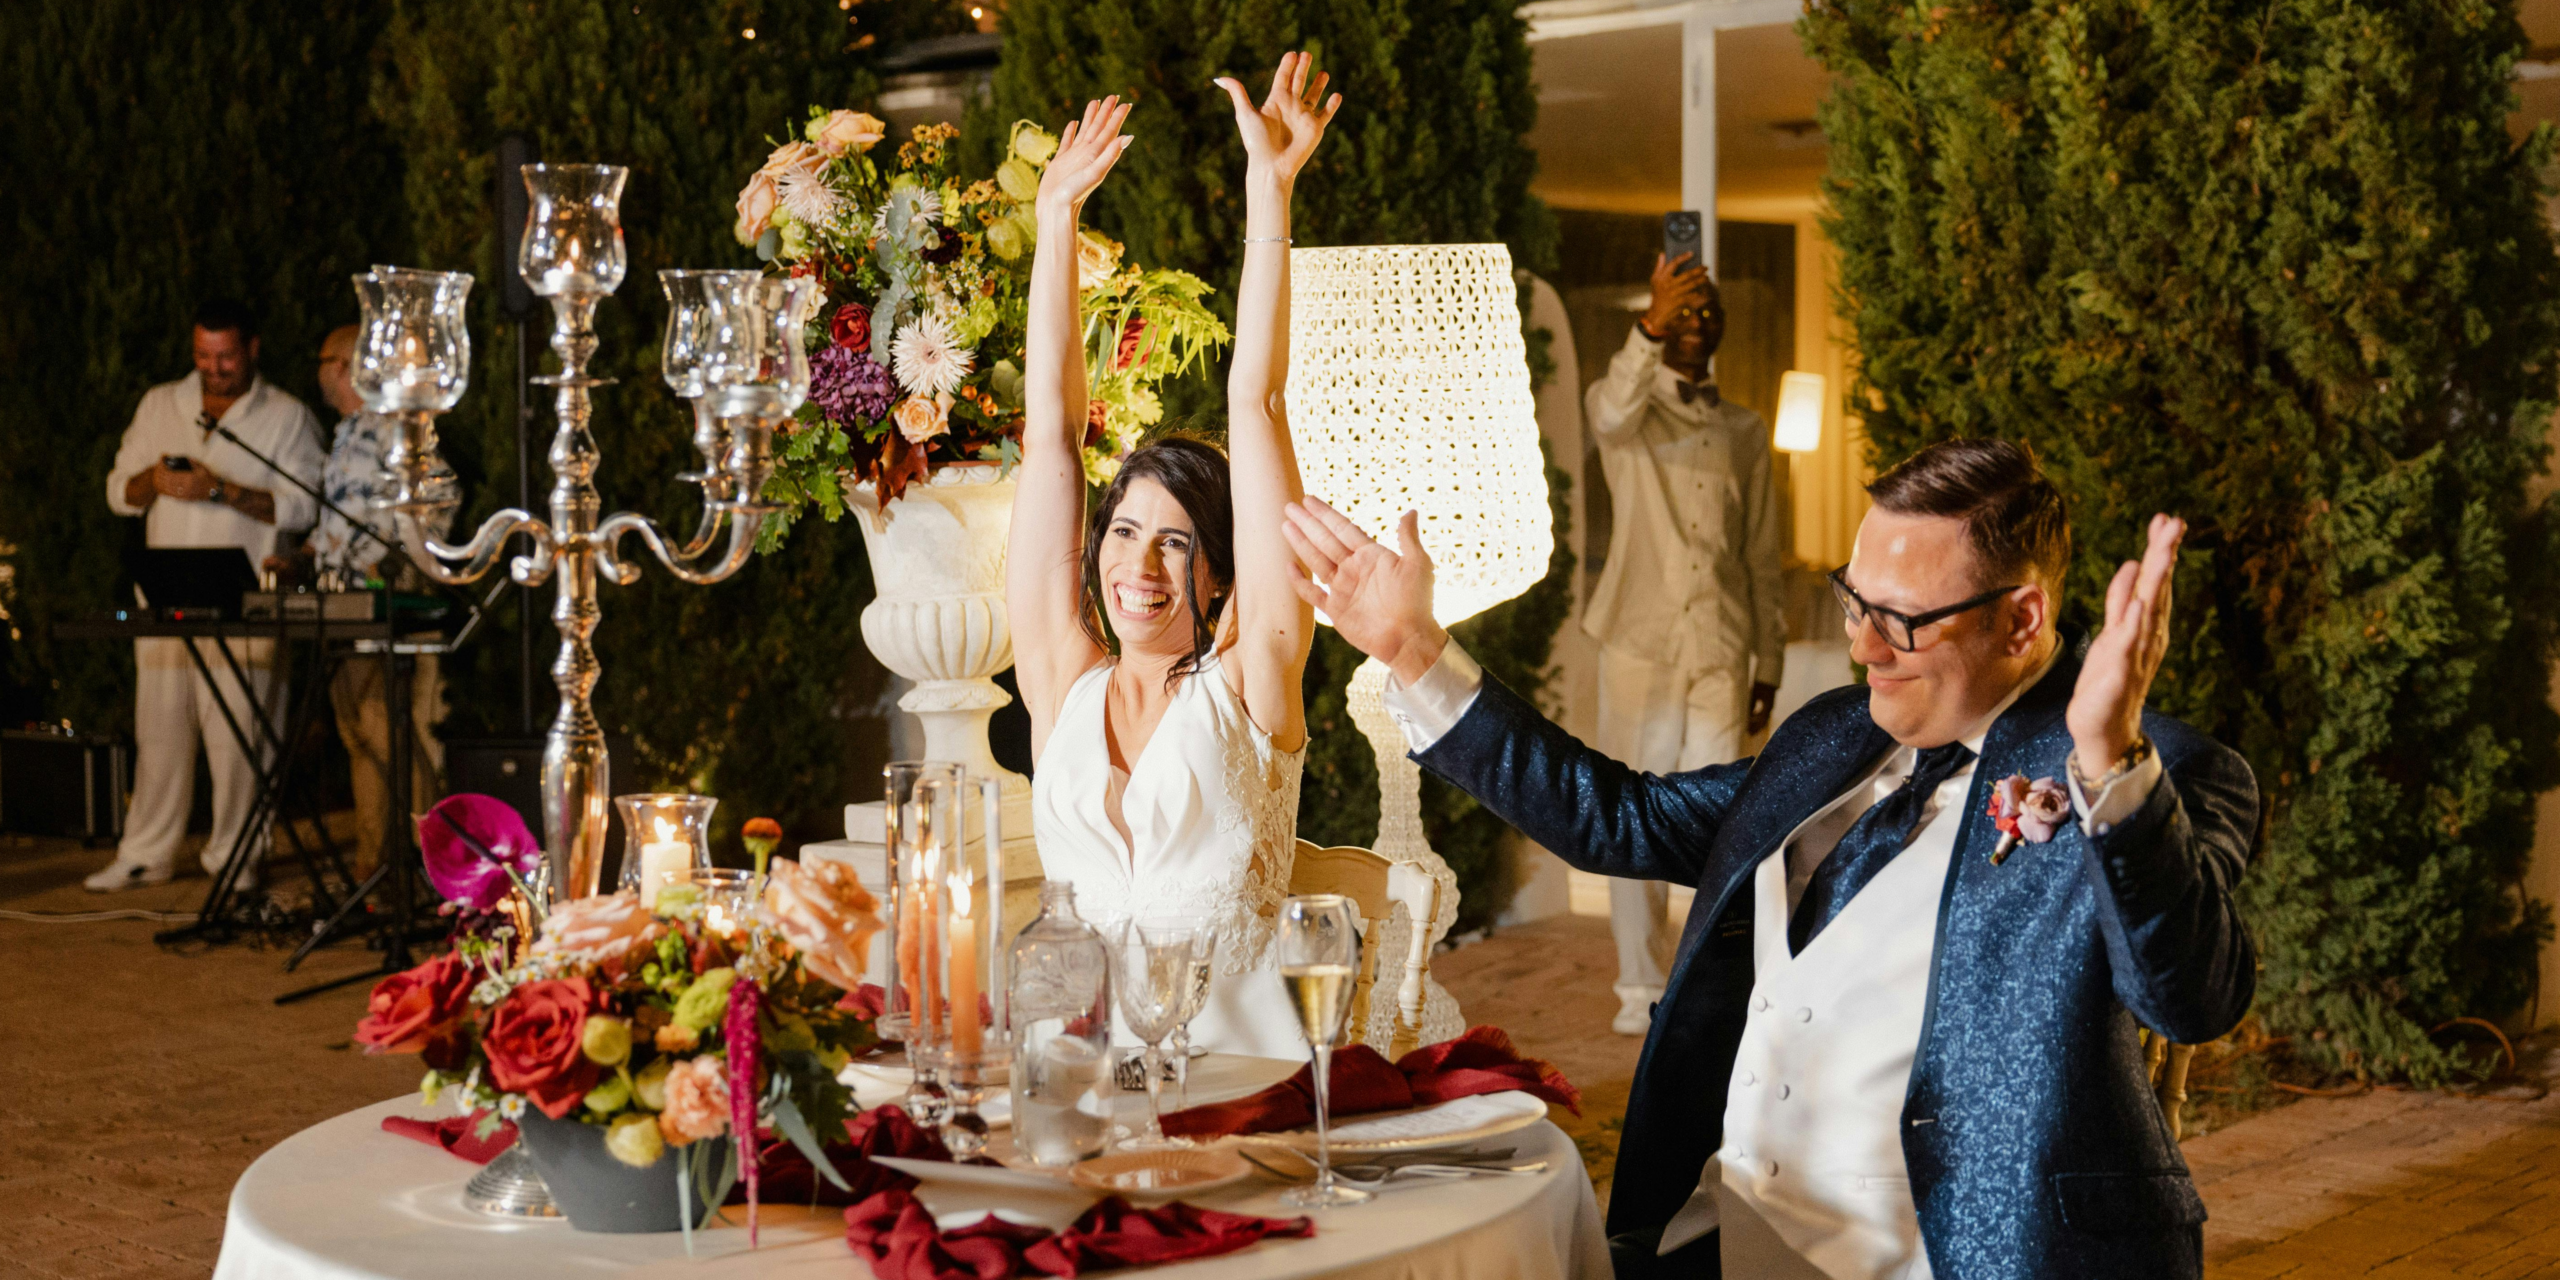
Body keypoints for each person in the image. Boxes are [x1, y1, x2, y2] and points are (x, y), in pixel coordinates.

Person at [1285, 438, 2255, 1279]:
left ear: (2021, 621)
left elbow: (2195, 995)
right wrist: (1412, 646)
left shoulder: (2150, 772)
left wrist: (2108, 764)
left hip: (1971, 1251)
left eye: (1903, 619)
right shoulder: (1832, 736)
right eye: (1851, 600)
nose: (1863, 645)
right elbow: (1620, 819)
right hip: (1724, 1237)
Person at [1009, 56, 1339, 1058]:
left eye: (1175, 541)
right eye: (1122, 531)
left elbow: (1257, 401)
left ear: (1224, 575)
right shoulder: (1063, 680)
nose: (1138, 564)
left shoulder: (1253, 681)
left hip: (1240, 1098)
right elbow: (1050, 436)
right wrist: (1054, 222)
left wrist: (1268, 193)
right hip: (1066, 1092)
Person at [1583, 250, 1787, 1036]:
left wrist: (1767, 657)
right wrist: (1648, 322)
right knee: (1632, 811)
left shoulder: (1744, 429)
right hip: (1638, 644)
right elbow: (1607, 409)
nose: (1694, 327)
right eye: (1681, 315)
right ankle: (1638, 988)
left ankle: (1695, 976)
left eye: (1706, 315)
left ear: (1723, 333)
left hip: (1722, 647)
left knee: (1715, 817)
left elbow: (1761, 550)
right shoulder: (1629, 417)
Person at [91, 299, 325, 892]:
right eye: (202, 355)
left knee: (241, 733)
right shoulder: (160, 403)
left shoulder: (287, 416)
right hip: (166, 591)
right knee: (160, 727)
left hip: (245, 596)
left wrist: (219, 489)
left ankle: (236, 857)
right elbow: (120, 488)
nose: (213, 368)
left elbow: (304, 505)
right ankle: (146, 852)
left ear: (252, 348)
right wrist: (155, 482)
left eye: (224, 357)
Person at [306, 323, 449, 878]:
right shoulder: (347, 433)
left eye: (322, 361)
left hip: (389, 603)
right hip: (343, 606)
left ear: (342, 365)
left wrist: (397, 559)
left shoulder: (395, 425)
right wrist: (310, 554)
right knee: (359, 734)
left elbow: (439, 496)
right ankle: (376, 872)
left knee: (388, 731)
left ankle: (439, 867)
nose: (317, 374)